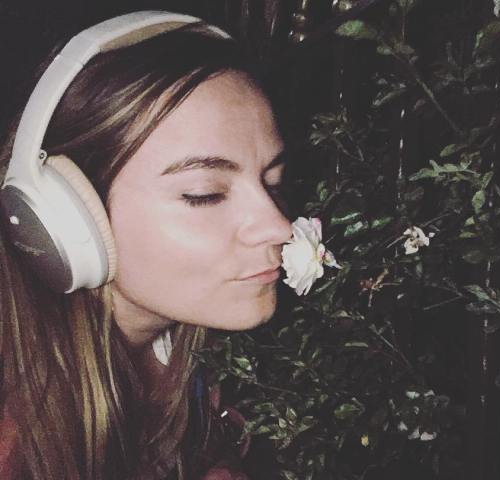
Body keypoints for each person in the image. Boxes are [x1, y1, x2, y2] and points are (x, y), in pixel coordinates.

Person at [0, 10, 293, 480]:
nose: (280, 227)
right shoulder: (14, 440)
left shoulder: (198, 353)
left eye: (273, 181)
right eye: (204, 194)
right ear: (61, 215)